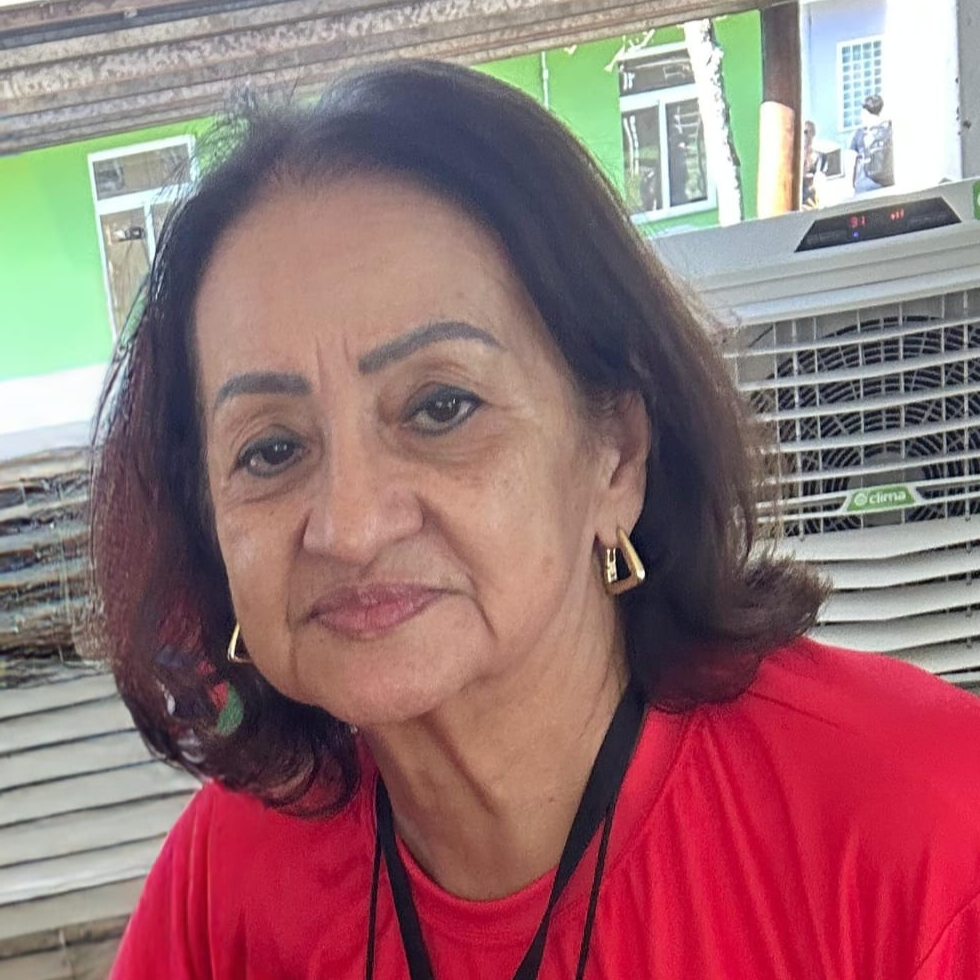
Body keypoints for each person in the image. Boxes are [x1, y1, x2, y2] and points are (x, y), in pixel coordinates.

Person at [91, 61, 980, 979]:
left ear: (615, 456)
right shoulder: (227, 882)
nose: (350, 527)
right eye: (272, 450)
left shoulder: (928, 838)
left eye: (441, 408)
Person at [851, 93, 894, 194]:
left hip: (862, 188)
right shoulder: (888, 131)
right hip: (885, 187)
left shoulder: (860, 134)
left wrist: (851, 185)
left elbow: (851, 159)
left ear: (865, 113)